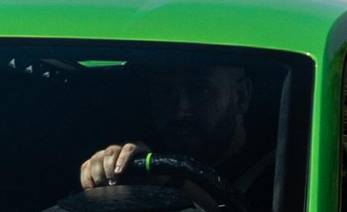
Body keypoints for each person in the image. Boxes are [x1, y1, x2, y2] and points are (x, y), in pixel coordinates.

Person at [78, 58, 262, 204]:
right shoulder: (140, 167)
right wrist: (106, 173)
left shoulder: (283, 179)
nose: (180, 111)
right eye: (164, 90)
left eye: (201, 90)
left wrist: (168, 182)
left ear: (241, 97)